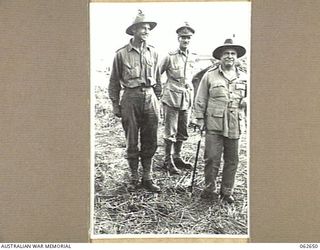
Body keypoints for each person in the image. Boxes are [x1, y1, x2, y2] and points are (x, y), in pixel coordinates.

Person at [108, 10, 162, 193]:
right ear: (133, 31)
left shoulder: (153, 52)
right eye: (142, 28)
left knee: (150, 138)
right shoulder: (121, 54)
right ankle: (133, 177)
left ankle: (147, 177)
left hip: (150, 98)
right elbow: (114, 81)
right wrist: (116, 104)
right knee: (132, 139)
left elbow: (158, 79)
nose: (146, 31)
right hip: (130, 98)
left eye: (148, 28)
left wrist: (157, 100)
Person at [194, 38, 247, 203]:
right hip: (214, 123)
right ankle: (210, 189)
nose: (230, 56)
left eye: (233, 53)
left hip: (234, 124)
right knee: (211, 158)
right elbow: (200, 98)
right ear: (220, 57)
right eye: (226, 54)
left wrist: (248, 101)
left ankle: (227, 191)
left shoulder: (244, 77)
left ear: (236, 57)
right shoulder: (210, 76)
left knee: (232, 159)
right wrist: (200, 120)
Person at [159, 22, 198, 175]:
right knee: (170, 131)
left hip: (187, 98)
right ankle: (167, 161)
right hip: (172, 98)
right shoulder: (170, 56)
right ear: (178, 38)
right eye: (183, 37)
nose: (186, 40)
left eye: (188, 38)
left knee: (183, 130)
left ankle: (177, 157)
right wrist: (159, 92)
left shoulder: (193, 57)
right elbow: (157, 73)